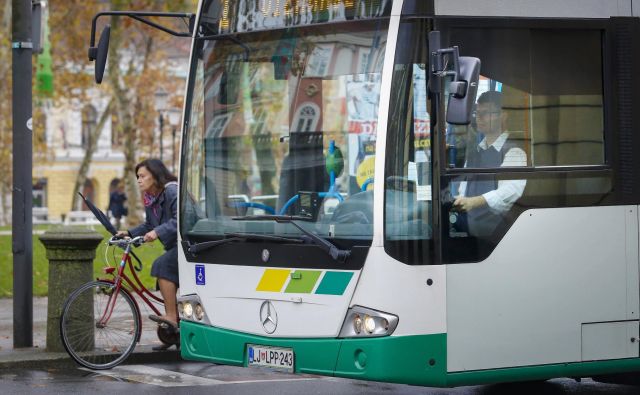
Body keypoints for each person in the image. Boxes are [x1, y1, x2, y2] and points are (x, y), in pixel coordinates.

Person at [116, 159, 179, 334]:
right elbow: (149, 225)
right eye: (137, 176)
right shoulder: (150, 199)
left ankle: (172, 317)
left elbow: (180, 219)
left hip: (189, 245)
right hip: (175, 247)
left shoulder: (172, 191)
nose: (139, 180)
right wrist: (129, 233)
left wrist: (157, 232)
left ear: (156, 175)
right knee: (164, 267)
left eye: (142, 176)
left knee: (162, 265)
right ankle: (172, 334)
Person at [452, 90, 527, 237]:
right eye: (477, 113)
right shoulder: (475, 152)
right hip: (471, 234)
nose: (479, 118)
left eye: (485, 113)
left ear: (503, 116)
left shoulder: (514, 152)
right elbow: (464, 190)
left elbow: (510, 191)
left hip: (498, 239)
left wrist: (475, 202)